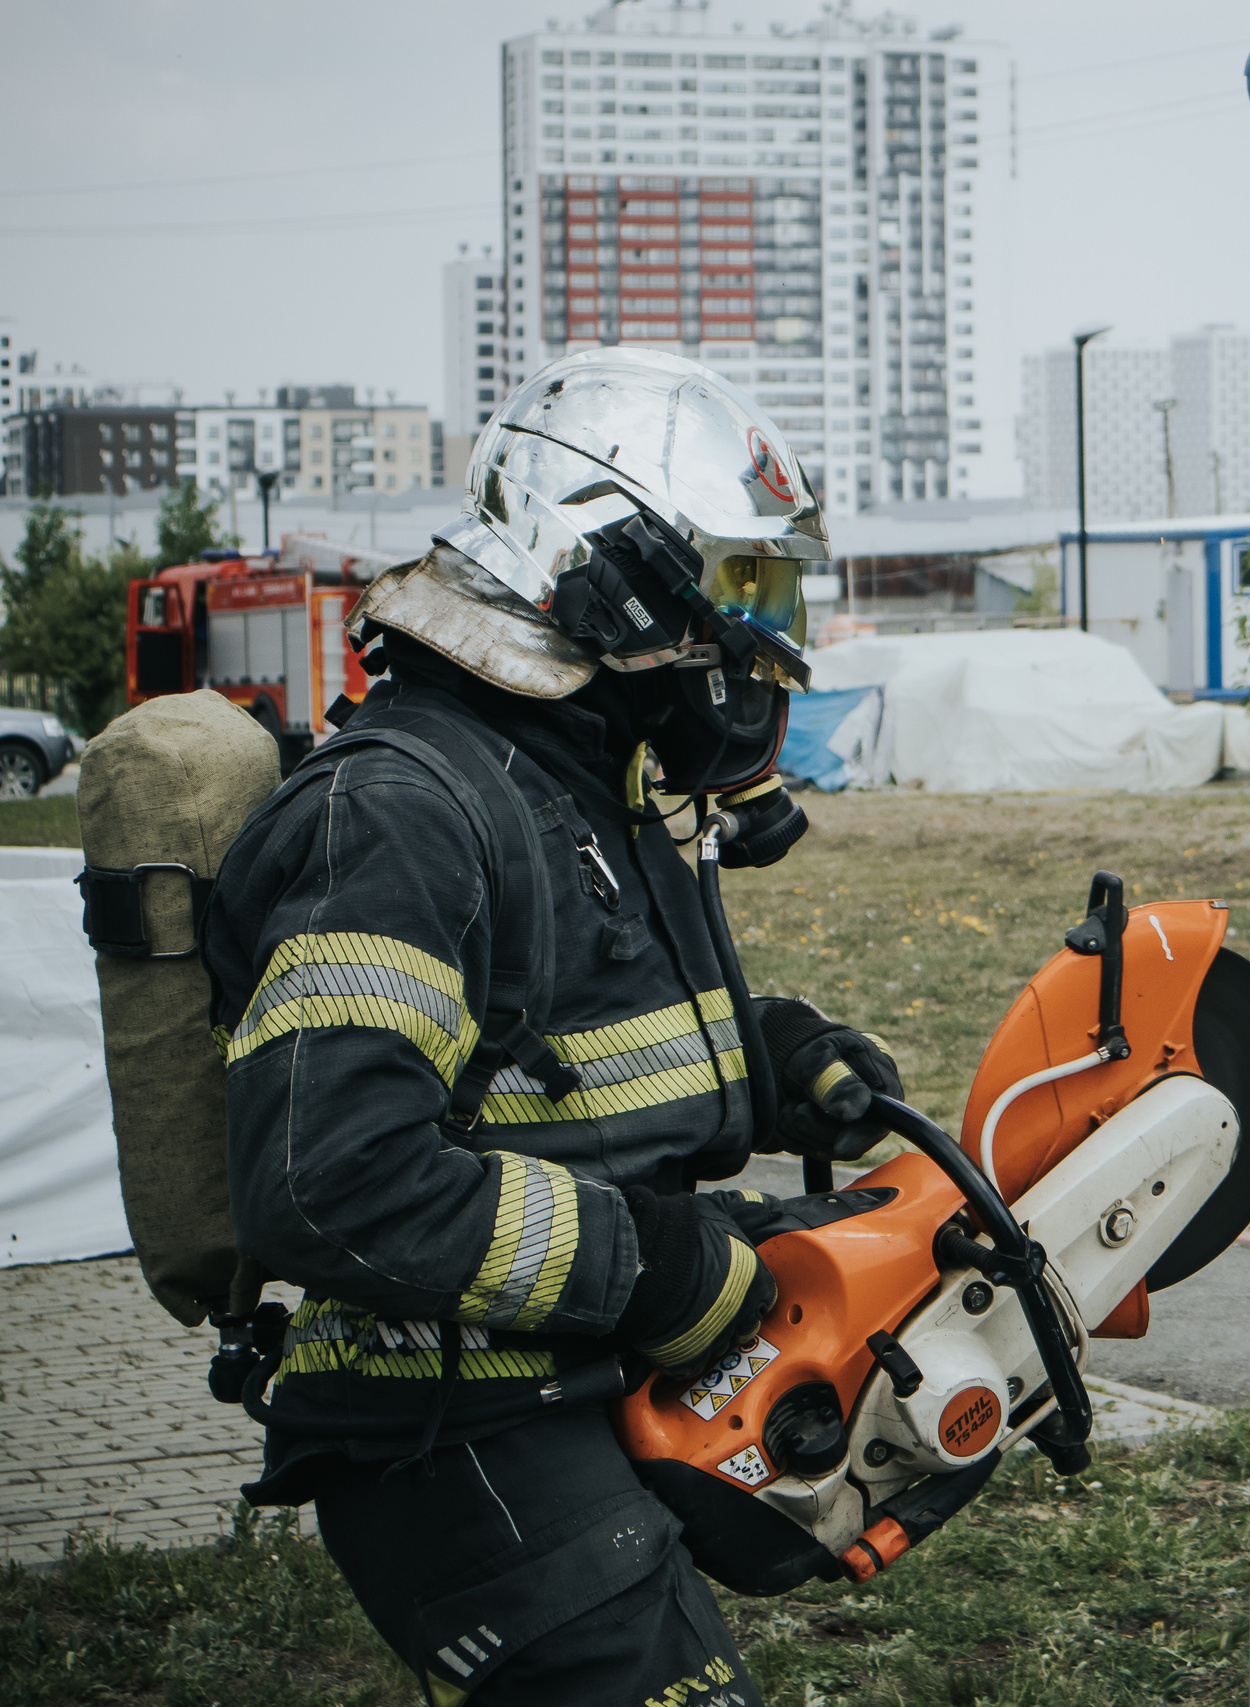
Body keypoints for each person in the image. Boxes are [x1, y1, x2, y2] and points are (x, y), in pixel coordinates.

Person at [203, 350, 902, 1706]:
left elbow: (561, 1037)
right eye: (748, 586)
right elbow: (327, 1181)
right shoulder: (400, 812)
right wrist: (664, 1268)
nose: (773, 640)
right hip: (449, 1420)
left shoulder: (577, 782)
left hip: (565, 1377)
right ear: (620, 568)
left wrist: (773, 1059)